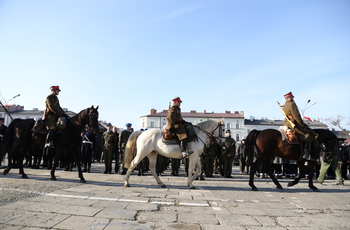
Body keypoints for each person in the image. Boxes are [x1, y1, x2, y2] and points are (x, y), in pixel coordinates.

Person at [282, 92, 318, 160]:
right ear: (290, 97)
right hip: (292, 124)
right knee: (307, 135)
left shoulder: (285, 105)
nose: (293, 98)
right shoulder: (292, 104)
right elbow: (297, 116)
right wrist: (302, 124)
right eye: (292, 97)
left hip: (286, 123)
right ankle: (306, 154)